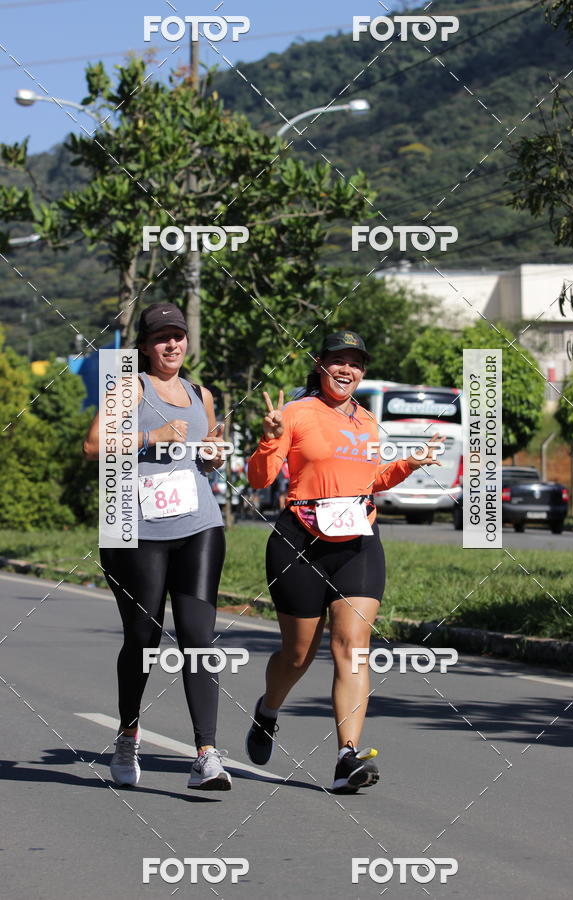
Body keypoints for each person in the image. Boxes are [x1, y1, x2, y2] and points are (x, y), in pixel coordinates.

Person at [244, 331, 444, 793]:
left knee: (353, 646)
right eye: (338, 360)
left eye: (356, 363)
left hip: (358, 538)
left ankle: (345, 756)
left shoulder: (368, 422)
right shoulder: (295, 413)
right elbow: (260, 478)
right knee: (298, 655)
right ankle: (268, 710)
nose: (347, 370)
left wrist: (408, 464)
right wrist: (269, 440)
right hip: (300, 540)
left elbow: (369, 479)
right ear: (320, 364)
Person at [83, 302, 231, 791]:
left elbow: (203, 464)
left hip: (198, 525)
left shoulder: (199, 393)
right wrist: (149, 436)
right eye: (162, 337)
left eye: (179, 336)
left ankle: (207, 755)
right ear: (145, 346)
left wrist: (212, 457)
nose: (173, 345)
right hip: (137, 529)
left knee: (198, 636)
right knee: (143, 640)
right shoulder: (131, 386)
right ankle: (127, 737)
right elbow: (93, 444)